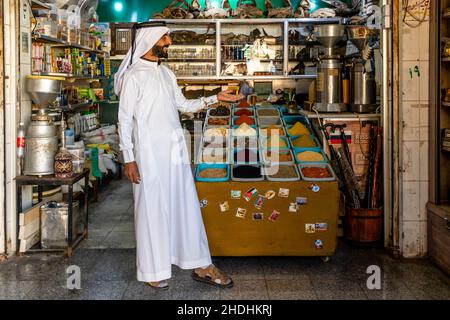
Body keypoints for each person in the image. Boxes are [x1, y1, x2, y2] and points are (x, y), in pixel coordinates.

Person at [115, 22, 244, 289]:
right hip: (148, 156)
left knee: (185, 208)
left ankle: (201, 264)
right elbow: (124, 121)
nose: (169, 42)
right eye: (165, 37)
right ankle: (153, 270)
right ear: (150, 40)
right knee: (152, 212)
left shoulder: (167, 74)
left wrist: (214, 98)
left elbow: (184, 106)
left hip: (175, 153)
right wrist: (128, 158)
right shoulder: (133, 77)